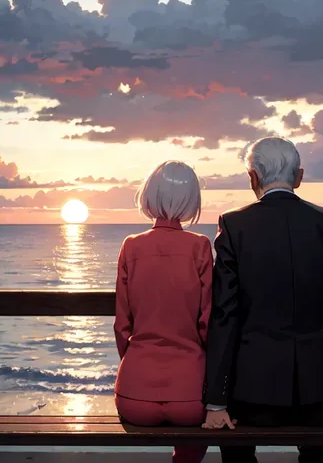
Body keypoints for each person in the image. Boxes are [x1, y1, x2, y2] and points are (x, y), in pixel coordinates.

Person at [202, 137, 323, 463]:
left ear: (253, 177)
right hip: (319, 391)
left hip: (253, 394)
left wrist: (216, 399)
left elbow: (225, 313)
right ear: (299, 176)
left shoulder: (234, 224)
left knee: (236, 453)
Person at [114, 160, 213, 463]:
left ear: (149, 195)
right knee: (196, 432)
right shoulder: (200, 247)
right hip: (190, 397)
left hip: (134, 397)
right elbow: (207, 324)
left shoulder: (131, 246)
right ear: (191, 199)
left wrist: (136, 362)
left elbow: (122, 326)